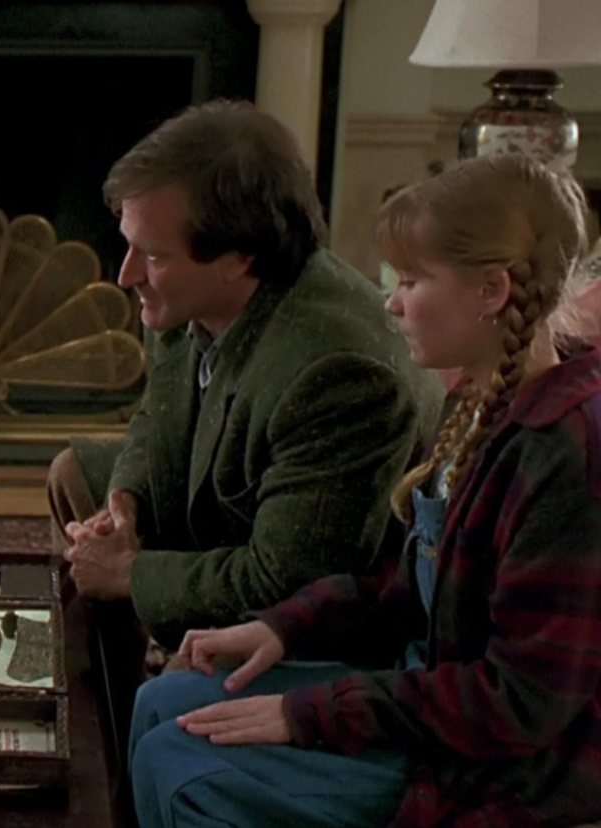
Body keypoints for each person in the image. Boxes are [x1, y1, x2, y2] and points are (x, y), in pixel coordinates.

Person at [128, 153, 601, 828]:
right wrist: (281, 627)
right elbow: (409, 587)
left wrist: (310, 715)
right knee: (161, 701)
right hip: (423, 699)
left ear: (491, 290)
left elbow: (521, 703)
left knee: (181, 765)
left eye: (411, 280)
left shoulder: (565, 451)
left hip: (502, 766)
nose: (392, 302)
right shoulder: (477, 400)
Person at [46, 101, 442, 733]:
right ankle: (101, 720)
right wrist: (127, 501)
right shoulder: (188, 294)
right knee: (77, 474)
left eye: (152, 255)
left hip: (321, 614)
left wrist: (130, 574)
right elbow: (156, 417)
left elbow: (287, 582)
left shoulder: (341, 374)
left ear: (238, 256)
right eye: (129, 246)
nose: (126, 275)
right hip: (231, 509)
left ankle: (151, 716)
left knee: (159, 672)